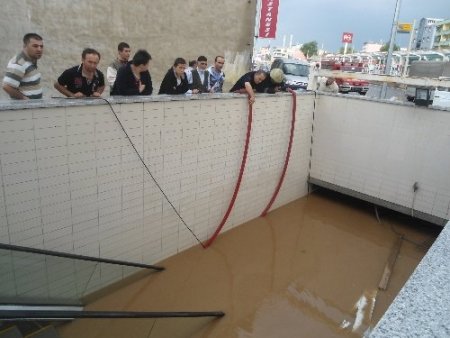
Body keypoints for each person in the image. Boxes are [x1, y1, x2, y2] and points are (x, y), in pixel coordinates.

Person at [2, 33, 44, 100]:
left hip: (33, 108)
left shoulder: (31, 60)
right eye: (35, 46)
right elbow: (7, 86)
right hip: (25, 108)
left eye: (41, 46)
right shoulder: (19, 63)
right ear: (25, 46)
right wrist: (24, 99)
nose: (39, 49)